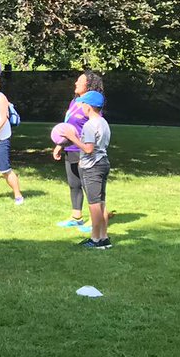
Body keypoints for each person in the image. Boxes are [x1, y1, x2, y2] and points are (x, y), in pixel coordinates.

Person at [54, 70, 105, 233]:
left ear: (88, 86)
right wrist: (60, 144)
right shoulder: (74, 102)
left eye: (80, 81)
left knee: (89, 186)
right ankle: (77, 217)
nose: (76, 83)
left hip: (83, 150)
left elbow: (95, 129)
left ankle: (94, 220)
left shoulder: (92, 107)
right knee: (74, 183)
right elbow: (68, 125)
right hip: (70, 148)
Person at [60, 91, 111, 248]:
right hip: (103, 162)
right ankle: (104, 237)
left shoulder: (90, 125)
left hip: (92, 166)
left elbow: (88, 149)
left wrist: (72, 137)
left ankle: (95, 239)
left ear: (88, 107)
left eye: (82, 104)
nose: (81, 107)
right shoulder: (103, 122)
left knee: (94, 204)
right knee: (101, 202)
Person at [0, 59, 24, 205]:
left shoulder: (0, 97)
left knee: (4, 169)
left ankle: (18, 196)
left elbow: (3, 118)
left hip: (1, 137)